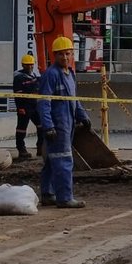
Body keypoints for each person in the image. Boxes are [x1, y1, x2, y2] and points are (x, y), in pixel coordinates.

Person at [37, 36, 91, 209]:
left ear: (72, 54)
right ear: (54, 56)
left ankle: (47, 193)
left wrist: (83, 116)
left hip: (68, 123)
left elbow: (74, 99)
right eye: (61, 54)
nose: (65, 57)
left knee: (53, 161)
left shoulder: (70, 74)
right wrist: (48, 126)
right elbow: (44, 102)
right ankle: (65, 198)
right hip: (58, 126)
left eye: (67, 54)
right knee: (63, 160)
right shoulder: (51, 75)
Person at [12, 54, 42, 161]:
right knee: (21, 128)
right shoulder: (19, 77)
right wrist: (20, 107)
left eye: (31, 65)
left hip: (35, 105)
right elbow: (18, 93)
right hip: (24, 106)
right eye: (27, 65)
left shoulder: (33, 75)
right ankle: (21, 150)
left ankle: (41, 147)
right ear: (23, 65)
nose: (29, 67)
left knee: (41, 126)